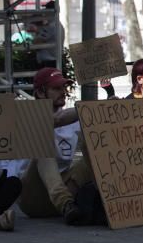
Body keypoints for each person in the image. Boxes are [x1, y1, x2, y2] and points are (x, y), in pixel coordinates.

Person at [16, 68, 94, 224]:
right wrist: (89, 108)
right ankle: (64, 203)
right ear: (40, 93)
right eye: (56, 88)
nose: (63, 92)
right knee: (43, 145)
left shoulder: (72, 120)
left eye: (64, 88)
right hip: (32, 198)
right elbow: (58, 120)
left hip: (63, 196)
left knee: (93, 150)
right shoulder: (30, 116)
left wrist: (112, 105)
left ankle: (71, 204)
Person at [30, 2, 63, 69]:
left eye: (46, 9)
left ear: (51, 11)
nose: (44, 12)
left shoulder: (51, 26)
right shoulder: (58, 25)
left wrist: (36, 32)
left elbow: (36, 44)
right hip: (52, 62)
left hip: (48, 63)